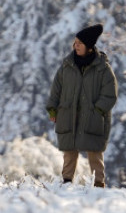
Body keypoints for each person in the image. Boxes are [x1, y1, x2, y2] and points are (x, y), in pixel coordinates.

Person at [46, 24, 118, 187]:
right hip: (68, 115)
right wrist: (53, 109)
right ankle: (66, 182)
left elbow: (110, 94)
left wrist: (97, 111)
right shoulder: (67, 66)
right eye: (75, 42)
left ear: (89, 46)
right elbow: (56, 89)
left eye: (79, 43)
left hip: (93, 118)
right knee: (69, 152)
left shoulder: (103, 69)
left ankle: (98, 183)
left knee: (94, 152)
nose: (75, 46)